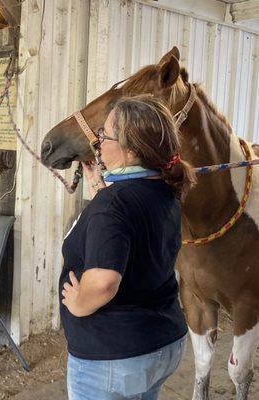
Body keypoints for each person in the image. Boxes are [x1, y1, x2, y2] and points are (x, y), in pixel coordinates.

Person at [61, 95, 196, 400]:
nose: (98, 143)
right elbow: (129, 221)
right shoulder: (164, 188)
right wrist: (100, 187)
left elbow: (105, 281)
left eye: (104, 136)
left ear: (131, 150)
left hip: (113, 357)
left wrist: (80, 303)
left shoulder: (114, 204)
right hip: (161, 342)